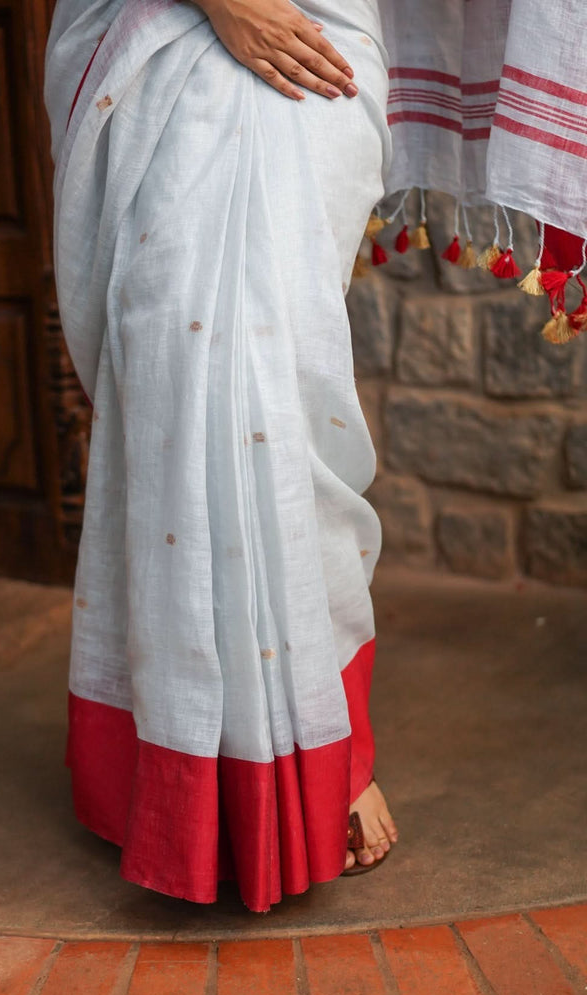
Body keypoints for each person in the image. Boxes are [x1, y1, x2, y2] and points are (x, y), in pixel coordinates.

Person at [45, 0, 586, 913]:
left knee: (277, 403)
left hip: (311, 51)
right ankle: (178, 769)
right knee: (174, 389)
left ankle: (318, 751)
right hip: (163, 39)